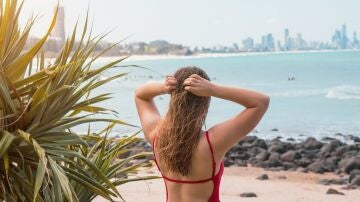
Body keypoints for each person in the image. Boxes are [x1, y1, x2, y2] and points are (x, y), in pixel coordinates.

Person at [135, 66, 269, 202]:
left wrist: (163, 87)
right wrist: (213, 89)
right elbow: (260, 102)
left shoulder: (156, 136)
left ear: (172, 96)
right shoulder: (212, 143)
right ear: (205, 101)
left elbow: (141, 95)